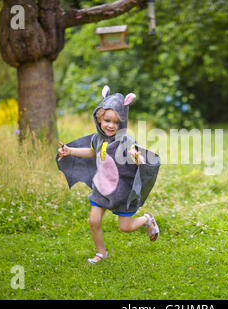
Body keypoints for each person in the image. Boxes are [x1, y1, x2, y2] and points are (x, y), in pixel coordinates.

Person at [57, 86, 160, 264]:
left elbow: (135, 154)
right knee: (93, 221)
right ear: (99, 118)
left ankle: (146, 219)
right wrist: (70, 150)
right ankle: (101, 252)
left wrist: (137, 157)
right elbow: (91, 152)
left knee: (125, 227)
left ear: (123, 123)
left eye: (116, 122)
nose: (111, 125)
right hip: (102, 188)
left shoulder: (125, 140)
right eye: (107, 121)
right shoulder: (98, 138)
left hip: (122, 191)